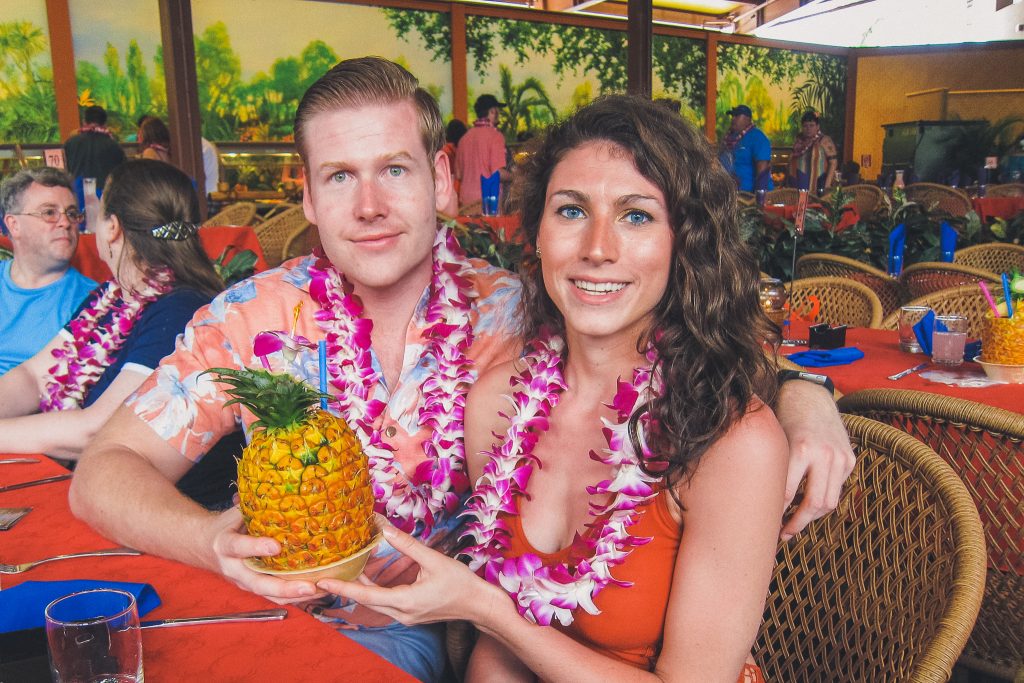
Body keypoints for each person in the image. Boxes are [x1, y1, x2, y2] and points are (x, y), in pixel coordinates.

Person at [70, 58, 853, 683]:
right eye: (340, 176)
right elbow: (102, 471)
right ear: (306, 195)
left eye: (395, 170)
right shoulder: (251, 318)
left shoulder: (518, 313)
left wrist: (803, 394)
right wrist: (209, 539)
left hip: (422, 639)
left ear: (443, 178)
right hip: (275, 620)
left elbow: (694, 345)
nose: (370, 204)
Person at [317, 94, 786, 682]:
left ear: (684, 243)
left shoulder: (731, 441)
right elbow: (502, 652)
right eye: (570, 211)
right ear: (536, 233)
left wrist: (489, 612)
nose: (597, 247)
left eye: (636, 216)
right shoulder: (496, 406)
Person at [0, 159, 238, 505]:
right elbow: (34, 376)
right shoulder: (112, 297)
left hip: (176, 515)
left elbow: (100, 429)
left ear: (112, 227)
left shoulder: (180, 309)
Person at [0, 168, 96, 375]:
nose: (65, 223)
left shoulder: (95, 303)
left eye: (72, 214)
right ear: (14, 225)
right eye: (49, 212)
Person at [455, 94, 508, 208]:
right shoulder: (496, 136)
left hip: (466, 203)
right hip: (488, 203)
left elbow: (458, 174)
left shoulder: (464, 138)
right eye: (497, 111)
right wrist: (514, 176)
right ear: (493, 112)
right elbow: (497, 173)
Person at [63, 105, 127, 190]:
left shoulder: (71, 143)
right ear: (105, 124)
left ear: (84, 121)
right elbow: (121, 173)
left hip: (78, 193)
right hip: (104, 193)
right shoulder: (114, 145)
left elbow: (65, 170)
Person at [721, 104, 773, 193]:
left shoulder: (757, 137)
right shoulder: (728, 139)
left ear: (747, 119)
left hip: (749, 196)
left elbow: (762, 170)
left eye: (737, 116)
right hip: (728, 193)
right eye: (732, 116)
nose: (733, 118)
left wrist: (759, 197)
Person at [789, 111, 838, 194]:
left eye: (811, 125)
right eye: (805, 126)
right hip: (798, 184)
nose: (808, 129)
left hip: (818, 183)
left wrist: (827, 185)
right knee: (800, 205)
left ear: (817, 126)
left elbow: (833, 162)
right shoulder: (799, 140)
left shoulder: (824, 140)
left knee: (815, 206)